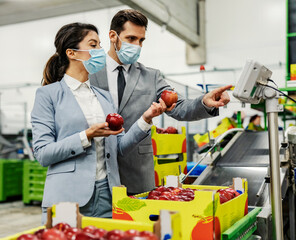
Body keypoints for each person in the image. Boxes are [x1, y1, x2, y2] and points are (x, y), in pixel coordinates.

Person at [31, 22, 169, 223]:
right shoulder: (48, 95)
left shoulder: (103, 97)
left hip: (108, 193)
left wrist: (145, 120)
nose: (100, 51)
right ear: (72, 53)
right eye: (93, 45)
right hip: (68, 196)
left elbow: (120, 146)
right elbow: (42, 154)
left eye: (99, 45)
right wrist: (86, 136)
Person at [90, 9, 232, 195]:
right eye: (131, 38)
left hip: (137, 172)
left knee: (137, 223)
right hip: (96, 171)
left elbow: (180, 107)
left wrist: (204, 102)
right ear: (112, 36)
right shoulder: (89, 71)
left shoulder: (151, 77)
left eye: (141, 40)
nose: (137, 45)